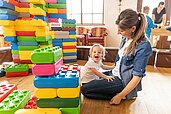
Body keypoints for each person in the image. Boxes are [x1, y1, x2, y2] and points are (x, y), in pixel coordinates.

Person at [81, 9, 152, 105]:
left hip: (122, 80)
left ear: (133, 29)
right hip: (114, 73)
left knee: (85, 90)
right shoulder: (125, 38)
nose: (118, 33)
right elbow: (118, 63)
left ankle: (125, 94)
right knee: (86, 83)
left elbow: (137, 77)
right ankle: (118, 92)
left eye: (121, 30)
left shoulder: (143, 45)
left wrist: (120, 96)